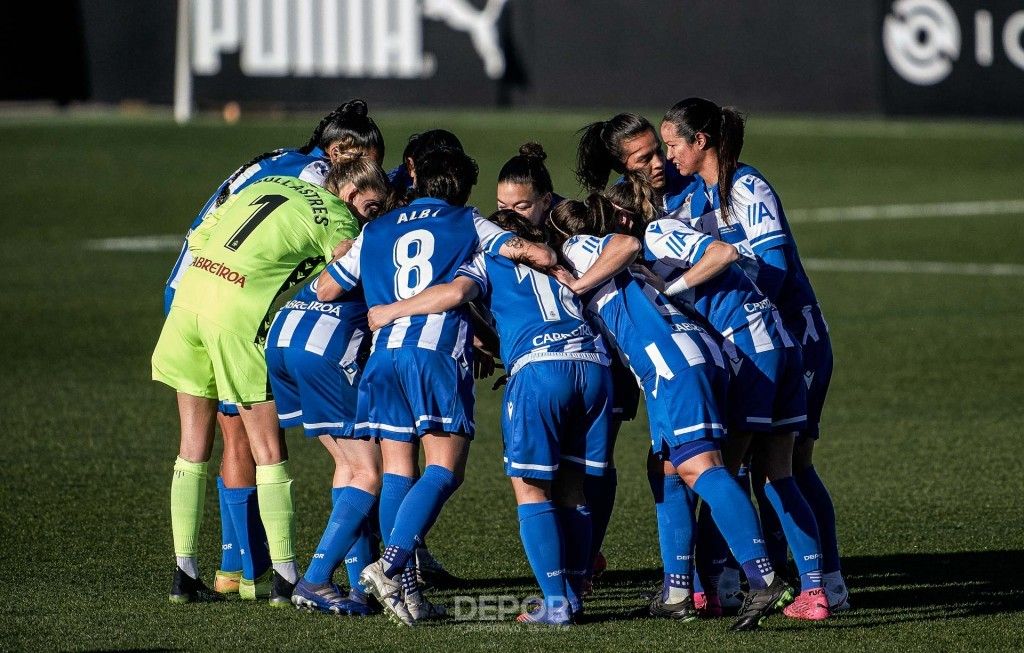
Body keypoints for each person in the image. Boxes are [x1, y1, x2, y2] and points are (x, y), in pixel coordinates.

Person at [316, 147, 557, 626]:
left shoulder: (376, 228)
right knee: (445, 470)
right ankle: (390, 565)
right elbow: (523, 250)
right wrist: (543, 253)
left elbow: (327, 287)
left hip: (382, 359)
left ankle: (405, 595)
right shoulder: (469, 222)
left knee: (400, 471)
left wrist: (356, 264)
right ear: (465, 188)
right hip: (435, 354)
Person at [160, 99, 385, 601]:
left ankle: (206, 572)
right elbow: (346, 275)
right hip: (235, 309)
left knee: (196, 446)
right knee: (261, 447)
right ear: (340, 158)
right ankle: (281, 579)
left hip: (189, 291)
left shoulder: (270, 169)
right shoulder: (325, 196)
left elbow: (205, 230)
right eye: (364, 165)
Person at [548, 196, 792, 631]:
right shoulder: (608, 262)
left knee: (700, 468)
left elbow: (622, 243)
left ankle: (764, 576)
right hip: (694, 355)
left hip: (671, 364)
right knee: (664, 469)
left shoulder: (580, 247)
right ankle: (677, 592)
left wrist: (579, 285)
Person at [366, 209, 613, 625]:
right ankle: (572, 595)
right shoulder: (562, 260)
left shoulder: (487, 259)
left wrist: (390, 311)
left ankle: (555, 604)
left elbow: (453, 294)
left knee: (531, 491)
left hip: (540, 369)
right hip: (593, 367)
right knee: (573, 491)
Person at [660, 96, 847, 616]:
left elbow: (778, 270)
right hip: (756, 342)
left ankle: (824, 582)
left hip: (791, 339)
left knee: (787, 466)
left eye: (675, 144)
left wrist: (724, 283)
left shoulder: (746, 187)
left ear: (701, 142)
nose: (669, 154)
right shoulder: (702, 193)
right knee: (763, 469)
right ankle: (794, 583)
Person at [617, 174, 826, 622]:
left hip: (751, 350)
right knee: (777, 474)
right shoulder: (657, 240)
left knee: (717, 474)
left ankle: (718, 589)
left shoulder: (657, 232)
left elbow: (724, 252)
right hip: (779, 343)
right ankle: (816, 589)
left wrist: (671, 289)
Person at [259, 157, 392, 617]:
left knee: (348, 465)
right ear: (352, 196)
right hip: (323, 349)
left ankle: (358, 586)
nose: (375, 213)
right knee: (370, 472)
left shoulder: (335, 227)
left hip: (285, 336)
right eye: (371, 204)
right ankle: (315, 579)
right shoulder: (369, 239)